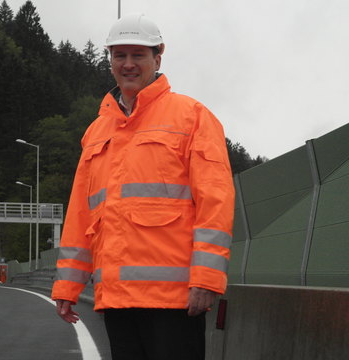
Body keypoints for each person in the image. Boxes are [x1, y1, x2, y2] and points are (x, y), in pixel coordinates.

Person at [51, 13, 235, 360]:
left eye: (138, 55)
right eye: (120, 55)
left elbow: (216, 200)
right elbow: (80, 215)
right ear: (110, 61)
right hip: (117, 297)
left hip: (175, 299)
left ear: (158, 58)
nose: (129, 64)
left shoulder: (192, 116)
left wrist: (207, 279)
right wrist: (68, 285)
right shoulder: (97, 132)